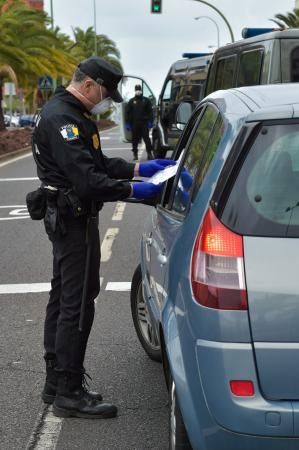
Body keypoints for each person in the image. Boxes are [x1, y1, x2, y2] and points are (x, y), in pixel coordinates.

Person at [30, 56, 175, 419]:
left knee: (63, 297)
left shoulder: (70, 113)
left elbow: (97, 164)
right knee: (76, 305)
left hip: (69, 218)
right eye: (106, 92)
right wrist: (138, 192)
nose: (106, 99)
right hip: (73, 220)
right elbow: (88, 181)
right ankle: (69, 391)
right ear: (90, 83)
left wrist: (142, 168)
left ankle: (55, 383)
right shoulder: (63, 118)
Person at [125, 84, 154, 161]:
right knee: (135, 140)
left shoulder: (146, 100)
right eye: (136, 89)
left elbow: (150, 112)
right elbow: (127, 113)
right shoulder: (131, 101)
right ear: (135, 91)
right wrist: (127, 123)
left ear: (141, 90)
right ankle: (135, 154)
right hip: (135, 123)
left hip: (144, 123)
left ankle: (149, 154)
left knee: (146, 139)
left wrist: (150, 122)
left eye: (139, 89)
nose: (138, 91)